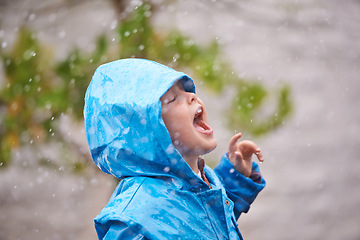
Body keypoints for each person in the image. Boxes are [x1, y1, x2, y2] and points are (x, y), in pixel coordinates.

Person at [84, 58, 266, 240]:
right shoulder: (137, 221)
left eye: (185, 90)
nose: (192, 96)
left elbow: (206, 220)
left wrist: (235, 176)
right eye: (172, 99)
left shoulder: (200, 182)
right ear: (147, 133)